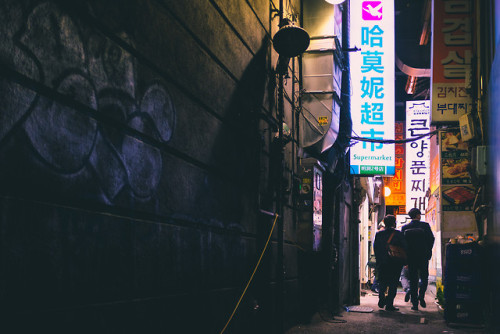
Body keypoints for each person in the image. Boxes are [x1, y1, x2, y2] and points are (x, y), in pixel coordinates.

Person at [401, 208, 435, 311]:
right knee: (424, 278)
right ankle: (421, 296)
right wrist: (427, 250)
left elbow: (403, 243)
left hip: (411, 257)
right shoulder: (425, 226)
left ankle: (414, 304)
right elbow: (431, 239)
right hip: (423, 256)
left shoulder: (405, 227)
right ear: (418, 215)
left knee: (413, 280)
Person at [374, 215, 407, 311]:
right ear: (394, 223)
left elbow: (376, 248)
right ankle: (389, 304)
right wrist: (404, 261)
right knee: (393, 283)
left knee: (382, 281)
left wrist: (379, 260)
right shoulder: (398, 234)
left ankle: (381, 298)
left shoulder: (379, 234)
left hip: (382, 262)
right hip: (395, 263)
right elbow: (404, 247)